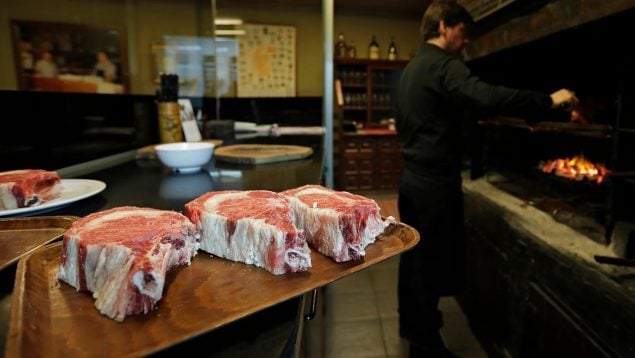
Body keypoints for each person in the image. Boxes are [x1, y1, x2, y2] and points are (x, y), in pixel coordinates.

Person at [395, 1, 578, 357]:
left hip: (412, 180)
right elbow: (487, 96)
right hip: (434, 185)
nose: (466, 43)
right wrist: (548, 100)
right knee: (430, 263)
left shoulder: (413, 67)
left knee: (414, 258)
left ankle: (412, 328)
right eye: (463, 33)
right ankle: (426, 346)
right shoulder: (443, 66)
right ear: (446, 26)